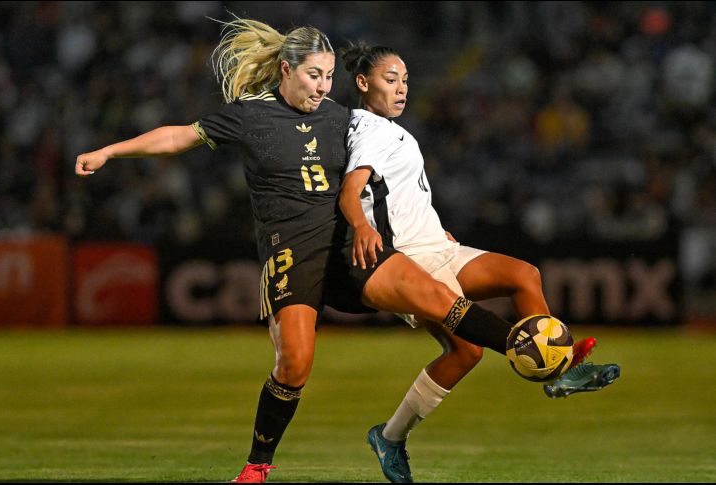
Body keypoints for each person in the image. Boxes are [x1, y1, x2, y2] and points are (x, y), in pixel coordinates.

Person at [75, 19, 587, 484]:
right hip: (293, 254)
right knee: (294, 365)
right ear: (286, 69)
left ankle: (541, 358)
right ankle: (257, 465)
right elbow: (177, 137)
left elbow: (376, 172)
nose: (322, 87)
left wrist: (422, 226)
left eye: (326, 77)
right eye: (313, 76)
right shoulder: (250, 118)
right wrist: (109, 151)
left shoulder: (342, 117)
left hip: (351, 248)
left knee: (435, 297)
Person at [338, 42, 621, 483]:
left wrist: (436, 227)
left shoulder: (388, 128)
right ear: (362, 83)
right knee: (466, 351)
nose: (401, 88)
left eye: (405, 80)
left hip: (438, 244)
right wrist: (360, 227)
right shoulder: (370, 129)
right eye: (390, 80)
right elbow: (349, 193)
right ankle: (390, 437)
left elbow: (398, 195)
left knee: (524, 276)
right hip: (412, 263)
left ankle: (557, 373)